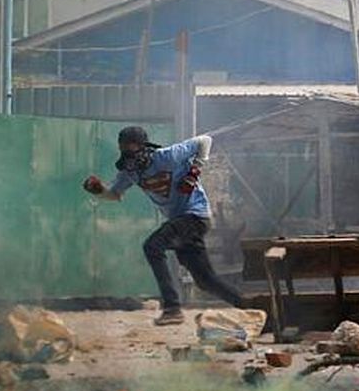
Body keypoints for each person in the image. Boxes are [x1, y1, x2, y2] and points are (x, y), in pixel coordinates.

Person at [82, 126, 242, 325]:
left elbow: (205, 141)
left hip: (194, 216)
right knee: (206, 280)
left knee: (153, 246)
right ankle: (251, 306)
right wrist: (99, 191)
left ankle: (172, 308)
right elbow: (115, 194)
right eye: (124, 149)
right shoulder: (130, 172)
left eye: (131, 149)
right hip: (181, 223)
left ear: (143, 147)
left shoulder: (166, 156)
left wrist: (195, 171)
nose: (129, 156)